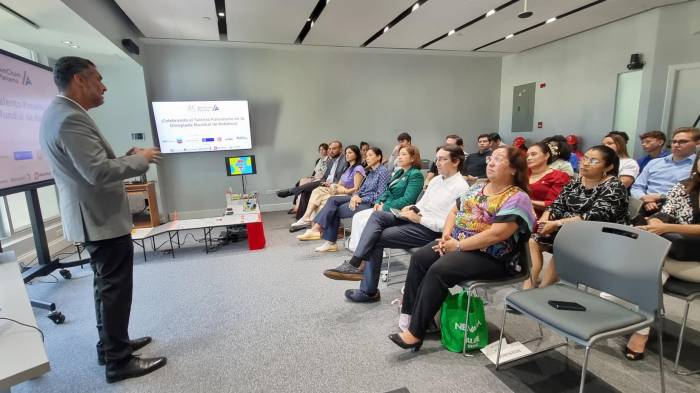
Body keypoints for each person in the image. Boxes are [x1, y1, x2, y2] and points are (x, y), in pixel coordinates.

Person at [39, 57, 166, 383]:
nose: (104, 85)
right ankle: (119, 361)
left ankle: (111, 347)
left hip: (93, 216)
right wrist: (139, 161)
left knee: (105, 287)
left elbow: (90, 166)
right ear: (80, 80)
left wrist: (126, 157)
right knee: (114, 289)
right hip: (98, 218)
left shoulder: (61, 114)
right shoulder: (68, 119)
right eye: (98, 78)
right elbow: (96, 172)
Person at [390, 146, 536, 350]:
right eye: (490, 159)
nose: (490, 163)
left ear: (513, 169)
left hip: (494, 257)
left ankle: (415, 333)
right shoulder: (478, 187)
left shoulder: (517, 197)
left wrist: (457, 246)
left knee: (440, 269)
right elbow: (453, 211)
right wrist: (446, 237)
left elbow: (497, 234)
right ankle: (412, 315)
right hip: (459, 244)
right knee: (421, 258)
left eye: (498, 159)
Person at [323, 145, 468, 303]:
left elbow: (449, 225)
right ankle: (356, 264)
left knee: (376, 238)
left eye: (442, 159)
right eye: (437, 159)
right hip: (416, 219)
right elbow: (423, 204)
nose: (437, 163)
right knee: (377, 216)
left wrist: (419, 219)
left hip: (430, 230)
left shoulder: (461, 188)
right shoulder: (435, 180)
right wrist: (412, 208)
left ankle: (366, 288)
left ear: (455, 162)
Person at [625, 152, 700, 360]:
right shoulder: (684, 186)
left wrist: (667, 228)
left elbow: (668, 223)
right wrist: (658, 225)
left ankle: (618, 302)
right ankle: (640, 332)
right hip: (676, 253)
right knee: (655, 265)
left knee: (653, 263)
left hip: (693, 263)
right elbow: (662, 214)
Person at [525, 145, 629, 289]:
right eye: (585, 158)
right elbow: (557, 204)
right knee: (533, 240)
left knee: (563, 242)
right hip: (568, 229)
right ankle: (529, 285)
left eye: (593, 161)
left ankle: (544, 288)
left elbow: (593, 217)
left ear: (608, 167)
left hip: (602, 235)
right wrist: (545, 220)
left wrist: (556, 224)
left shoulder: (614, 186)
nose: (585, 163)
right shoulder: (576, 181)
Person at [296, 147, 390, 252]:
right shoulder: (370, 172)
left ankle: (328, 240)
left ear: (379, 157)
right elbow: (361, 189)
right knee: (332, 200)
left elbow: (381, 194)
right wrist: (355, 196)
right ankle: (318, 230)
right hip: (358, 198)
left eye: (370, 155)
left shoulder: (383, 172)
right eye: (366, 156)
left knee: (334, 210)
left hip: (369, 203)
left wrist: (361, 199)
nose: (367, 158)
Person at [346, 145, 425, 253]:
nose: (399, 157)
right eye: (399, 154)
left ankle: (367, 254)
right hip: (385, 206)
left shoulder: (416, 174)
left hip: (399, 211)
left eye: (404, 154)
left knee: (365, 221)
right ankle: (356, 251)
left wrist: (385, 207)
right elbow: (387, 191)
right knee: (357, 217)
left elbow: (408, 200)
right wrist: (378, 203)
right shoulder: (399, 172)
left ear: (412, 158)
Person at [291, 145, 364, 230]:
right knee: (317, 191)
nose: (347, 155)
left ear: (356, 154)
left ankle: (317, 227)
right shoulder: (348, 168)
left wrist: (343, 190)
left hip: (349, 195)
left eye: (350, 153)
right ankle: (306, 218)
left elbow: (356, 189)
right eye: (346, 153)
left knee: (324, 199)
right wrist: (334, 186)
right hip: (340, 191)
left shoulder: (358, 168)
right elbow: (339, 183)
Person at [631, 127, 699, 216]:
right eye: (674, 141)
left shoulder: (697, 166)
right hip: (645, 207)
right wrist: (644, 199)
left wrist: (661, 197)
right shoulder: (654, 162)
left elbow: (694, 194)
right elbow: (637, 187)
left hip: (679, 210)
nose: (676, 145)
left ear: (697, 143)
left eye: (683, 141)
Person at [277, 141, 348, 221]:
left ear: (341, 150)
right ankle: (302, 219)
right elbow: (325, 176)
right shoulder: (330, 161)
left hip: (333, 185)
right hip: (325, 182)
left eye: (334, 149)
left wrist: (331, 183)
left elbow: (343, 177)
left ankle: (292, 191)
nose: (331, 151)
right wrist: (324, 181)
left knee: (311, 185)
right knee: (305, 191)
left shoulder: (345, 161)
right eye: (330, 149)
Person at [526, 142, 570, 217]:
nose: (529, 158)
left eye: (533, 154)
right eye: (527, 156)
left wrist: (524, 201)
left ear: (546, 156)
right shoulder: (522, 173)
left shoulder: (559, 176)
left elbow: (555, 204)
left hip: (543, 217)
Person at [289, 143, 330, 215]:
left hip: (321, 179)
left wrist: (315, 178)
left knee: (302, 186)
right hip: (315, 177)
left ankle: (297, 207)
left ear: (327, 150)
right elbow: (315, 172)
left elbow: (326, 173)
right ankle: (296, 205)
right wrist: (311, 176)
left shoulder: (329, 160)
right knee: (301, 181)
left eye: (323, 149)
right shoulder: (319, 160)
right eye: (320, 150)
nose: (321, 151)